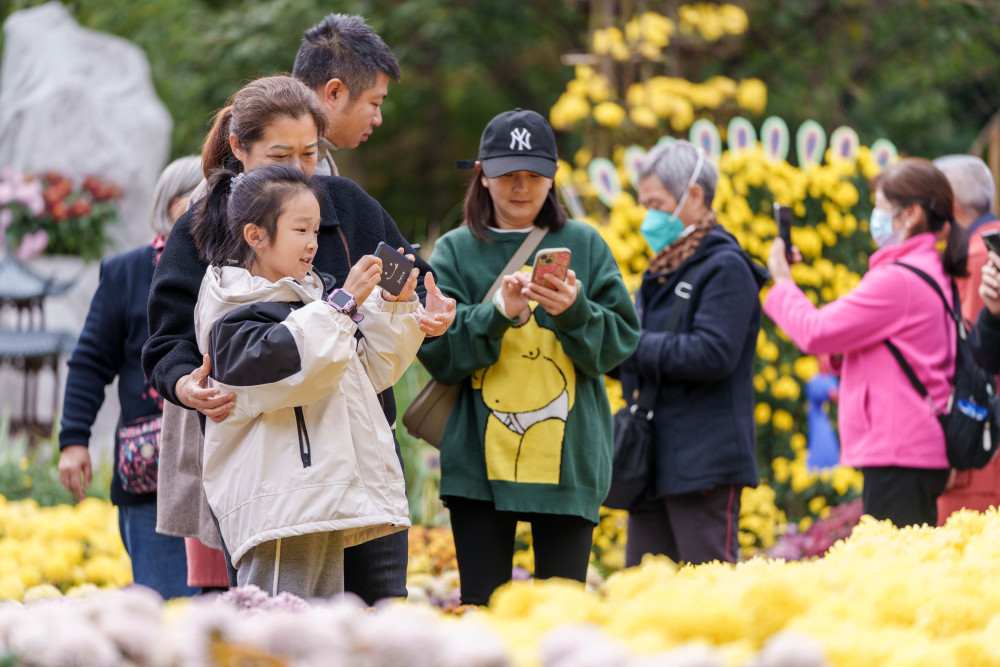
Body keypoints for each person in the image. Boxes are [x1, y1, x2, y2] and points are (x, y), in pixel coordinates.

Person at [142, 75, 454, 602]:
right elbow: (169, 339)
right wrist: (182, 384)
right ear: (239, 149)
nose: (298, 168)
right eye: (279, 154)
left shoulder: (348, 204)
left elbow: (415, 281)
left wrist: (429, 306)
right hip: (277, 463)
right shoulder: (204, 226)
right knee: (286, 621)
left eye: (310, 153)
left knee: (379, 612)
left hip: (362, 444)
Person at [417, 109, 641, 605]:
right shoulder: (455, 250)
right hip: (478, 462)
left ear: (554, 176)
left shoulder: (584, 244)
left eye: (534, 176)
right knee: (482, 612)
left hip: (567, 460)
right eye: (507, 176)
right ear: (482, 174)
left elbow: (621, 343)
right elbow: (437, 352)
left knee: (562, 619)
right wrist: (496, 312)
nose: (521, 188)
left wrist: (575, 310)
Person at [190, 164, 423, 597]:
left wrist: (394, 306)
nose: (314, 243)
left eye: (317, 230)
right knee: (273, 637)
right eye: (301, 230)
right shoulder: (233, 303)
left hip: (316, 501)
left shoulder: (311, 299)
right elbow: (285, 368)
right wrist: (341, 305)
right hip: (279, 506)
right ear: (254, 235)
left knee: (312, 639)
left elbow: (371, 373)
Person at [765, 158, 968, 528]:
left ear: (909, 215)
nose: (874, 217)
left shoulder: (898, 280)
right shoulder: (925, 270)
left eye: (880, 208)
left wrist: (782, 283)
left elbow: (815, 331)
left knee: (894, 577)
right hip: (912, 449)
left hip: (899, 452)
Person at [615, 140, 766, 567]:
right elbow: (641, 353)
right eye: (644, 204)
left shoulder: (725, 267)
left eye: (657, 203)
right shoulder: (664, 267)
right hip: (652, 461)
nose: (649, 216)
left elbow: (712, 353)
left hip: (704, 463)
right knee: (645, 589)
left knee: (709, 588)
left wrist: (628, 344)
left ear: (694, 196)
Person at [58, 155, 203, 599]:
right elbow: (90, 362)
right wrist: (74, 440)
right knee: (165, 604)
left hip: (223, 466)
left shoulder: (238, 270)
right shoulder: (127, 272)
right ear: (174, 205)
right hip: (150, 473)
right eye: (203, 197)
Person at [933, 154, 1000, 523]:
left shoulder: (977, 260)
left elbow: (976, 367)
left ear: (950, 205)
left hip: (979, 452)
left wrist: (958, 443)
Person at [292, 13, 400, 176]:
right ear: (334, 93)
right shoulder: (282, 172)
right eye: (375, 103)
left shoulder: (314, 159)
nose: (378, 120)